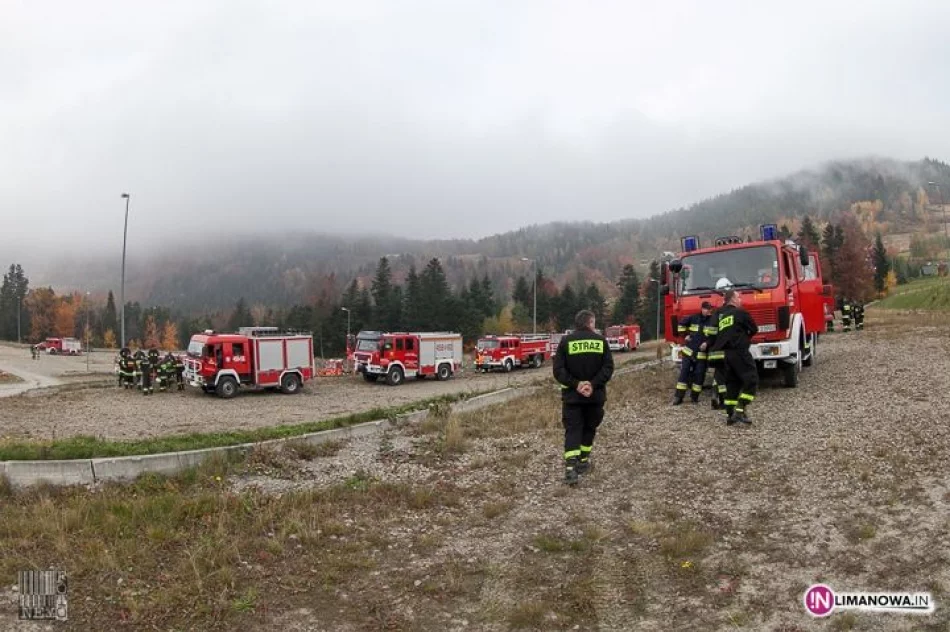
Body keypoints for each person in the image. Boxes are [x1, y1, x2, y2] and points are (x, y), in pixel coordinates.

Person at [553, 310, 614, 486]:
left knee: (573, 430)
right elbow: (608, 368)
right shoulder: (601, 341)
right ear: (590, 323)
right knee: (589, 428)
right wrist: (592, 385)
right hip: (595, 396)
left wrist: (576, 384)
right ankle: (583, 461)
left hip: (572, 397)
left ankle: (571, 469)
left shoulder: (566, 341)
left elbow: (558, 370)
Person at [708, 289, 758, 426]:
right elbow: (754, 329)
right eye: (738, 297)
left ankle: (730, 415)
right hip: (739, 352)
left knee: (733, 383)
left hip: (725, 355)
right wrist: (744, 340)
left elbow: (713, 334)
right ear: (733, 300)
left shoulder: (722, 317)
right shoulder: (740, 312)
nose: (740, 300)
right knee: (751, 380)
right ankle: (740, 410)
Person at [672, 301, 716, 405]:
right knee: (684, 373)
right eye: (707, 309)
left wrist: (707, 343)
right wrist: (685, 335)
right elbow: (681, 325)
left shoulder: (713, 321)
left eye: (710, 310)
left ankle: (694, 397)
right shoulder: (693, 318)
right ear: (702, 309)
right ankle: (678, 397)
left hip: (701, 354)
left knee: (699, 375)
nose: (709, 311)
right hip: (689, 352)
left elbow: (714, 337)